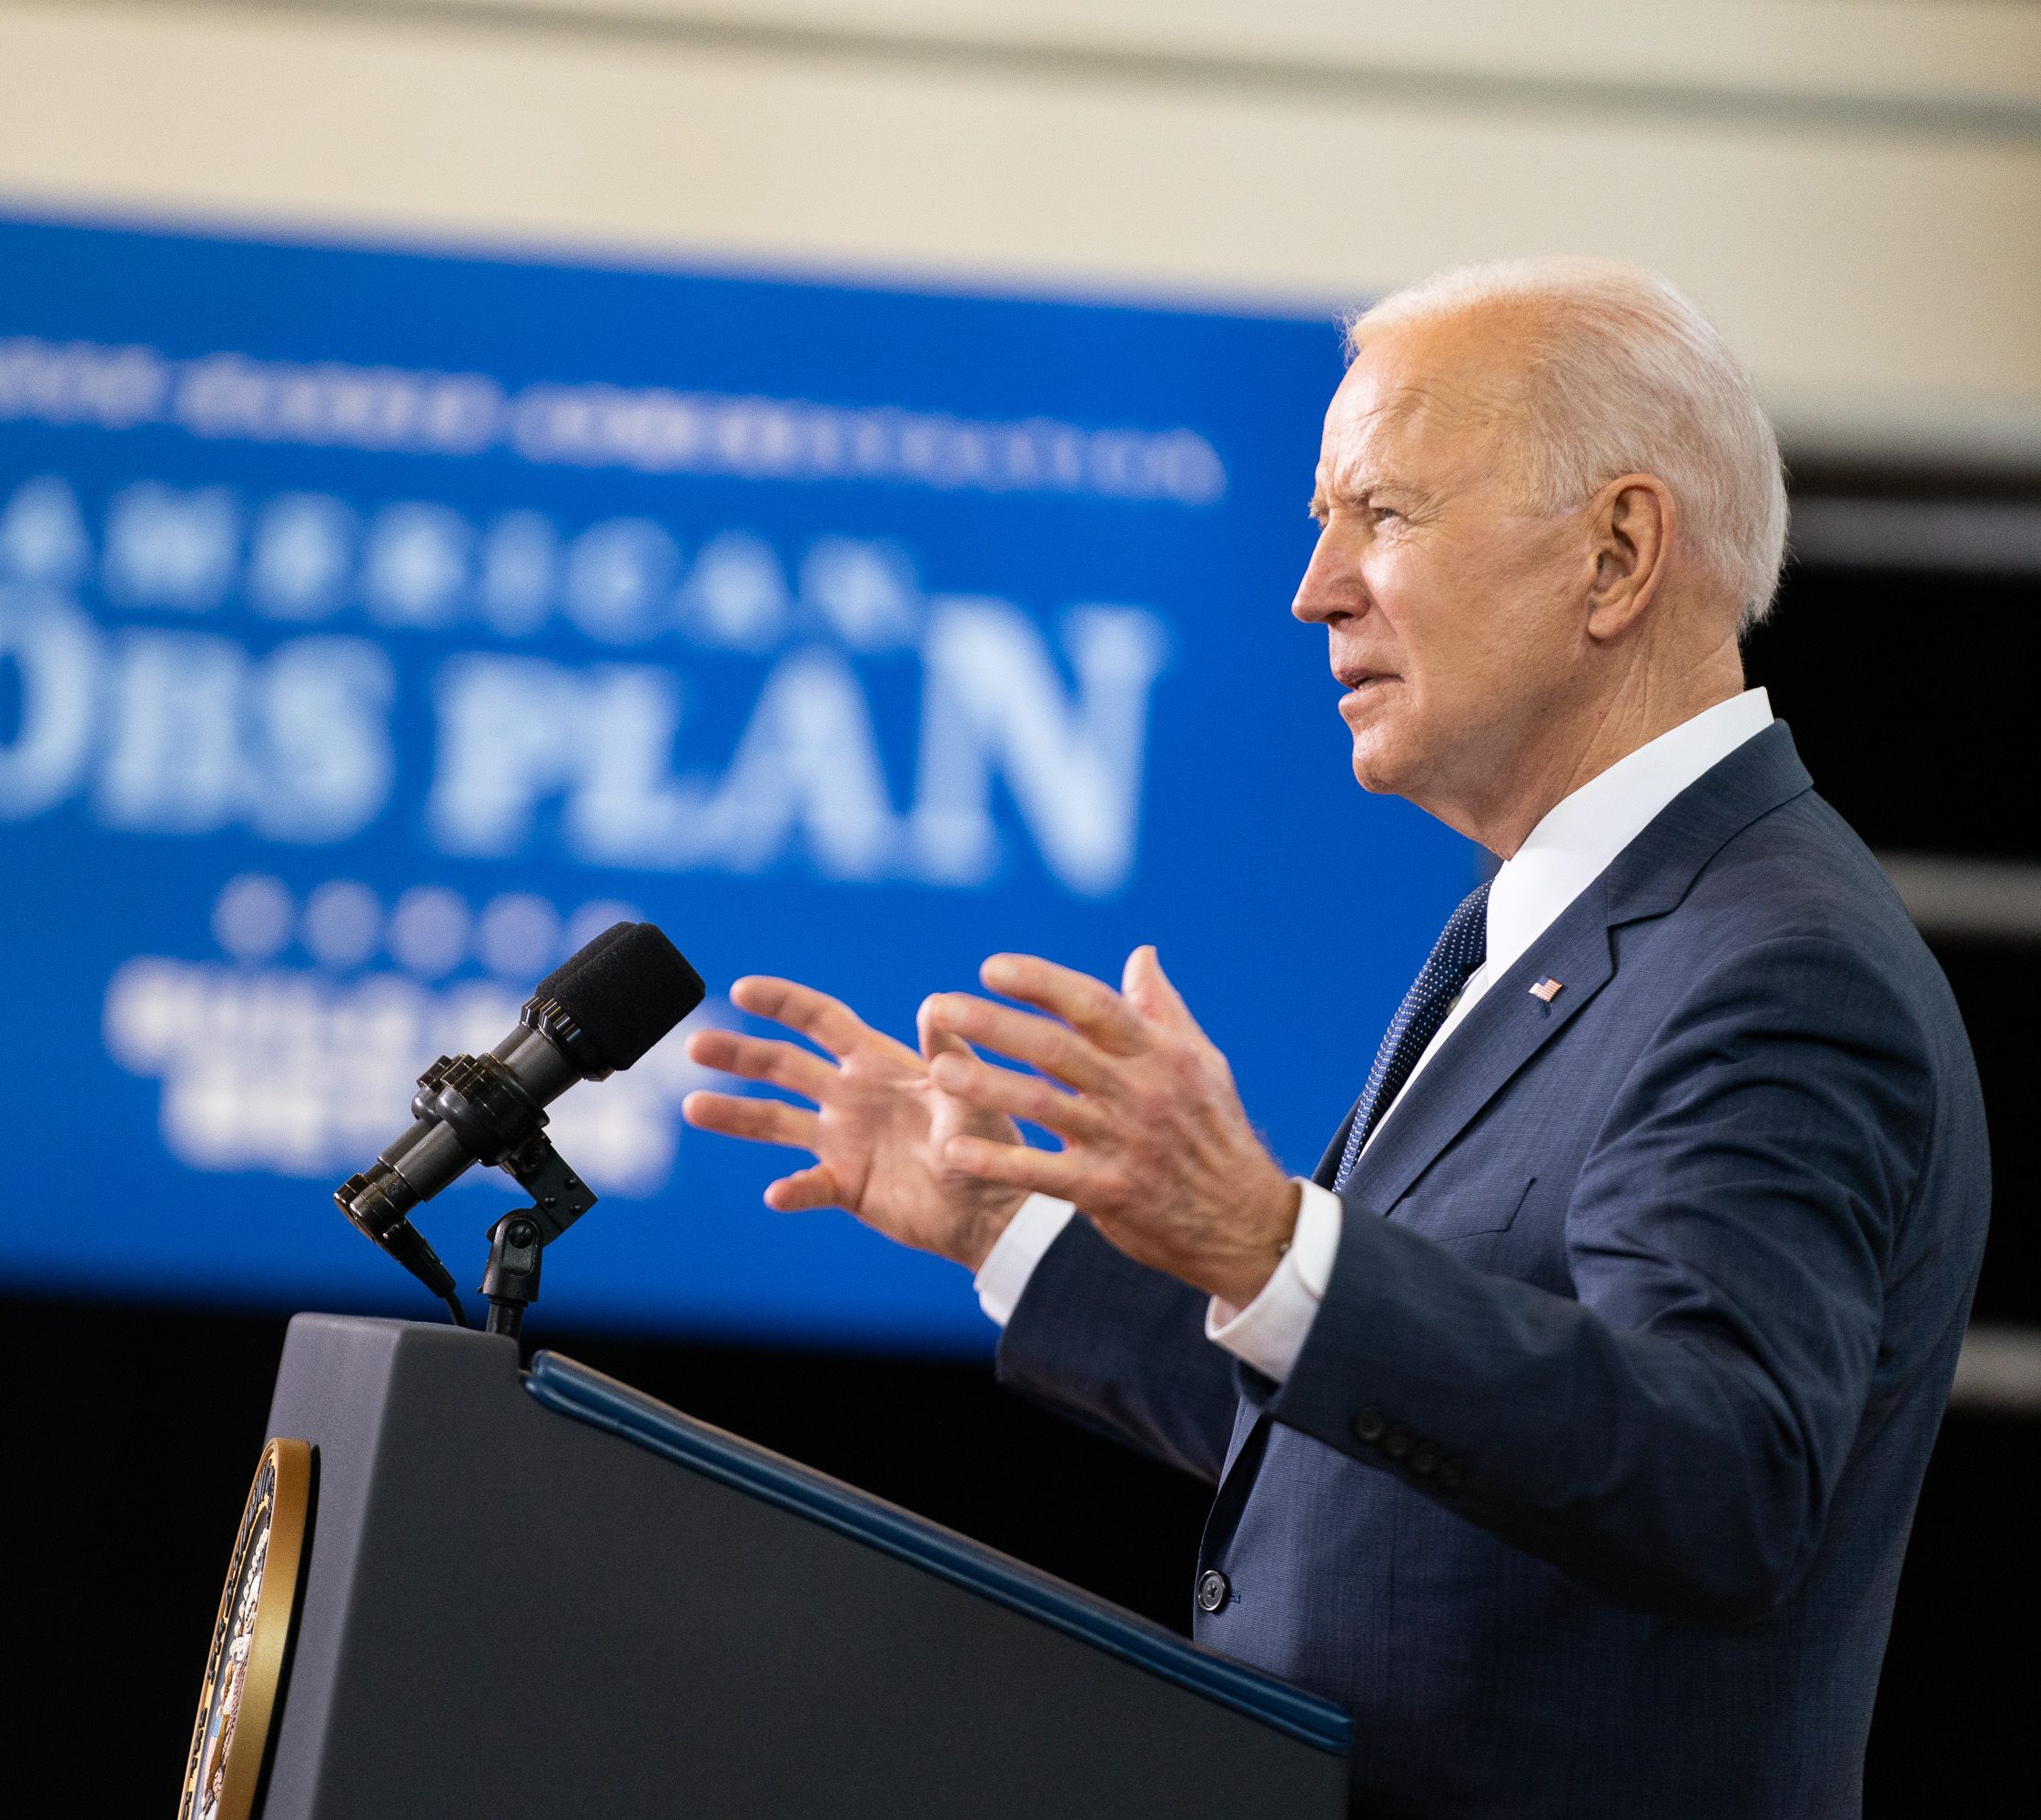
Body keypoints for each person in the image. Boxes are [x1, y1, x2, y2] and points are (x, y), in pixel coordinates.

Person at [682, 258, 1987, 1818]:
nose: (1316, 588)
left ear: (1618, 553)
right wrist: (1010, 1227)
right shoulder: (1542, 925)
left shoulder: (1774, 963)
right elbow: (1375, 1442)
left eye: (1384, 513)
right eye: (1321, 522)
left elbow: (1720, 1478)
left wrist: (1268, 1234)